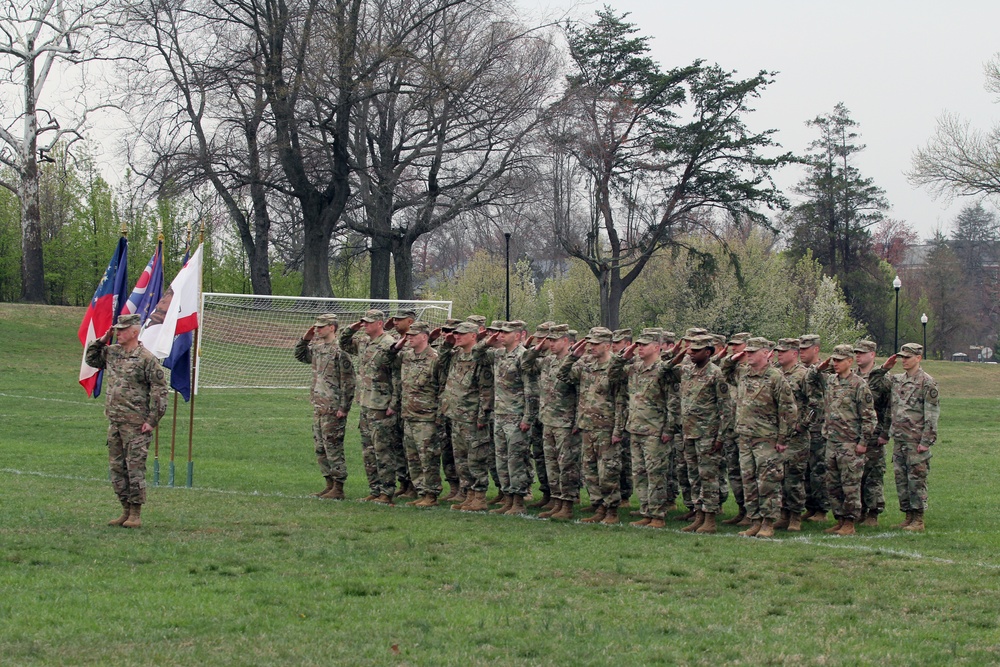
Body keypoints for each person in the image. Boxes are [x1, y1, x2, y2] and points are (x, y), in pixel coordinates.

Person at [86, 313, 168, 528]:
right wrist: (103, 339)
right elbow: (91, 359)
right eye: (117, 329)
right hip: (115, 421)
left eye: (122, 330)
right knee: (117, 468)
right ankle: (124, 510)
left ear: (134, 332)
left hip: (136, 425)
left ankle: (136, 514)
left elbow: (160, 391)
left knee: (135, 469)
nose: (118, 333)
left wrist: (152, 420)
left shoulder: (147, 359)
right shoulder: (112, 353)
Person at [723, 337, 797, 538]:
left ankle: (768, 522)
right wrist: (733, 357)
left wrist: (783, 439)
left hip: (766, 438)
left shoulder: (775, 377)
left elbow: (788, 410)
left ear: (766, 353)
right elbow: (725, 371)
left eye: (753, 352)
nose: (749, 355)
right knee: (749, 482)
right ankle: (754, 521)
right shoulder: (743, 373)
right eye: (747, 351)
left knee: (768, 483)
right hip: (745, 437)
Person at [662, 335, 729, 533]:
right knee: (694, 477)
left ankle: (710, 519)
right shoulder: (686, 370)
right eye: (690, 350)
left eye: (695, 350)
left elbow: (726, 408)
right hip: (688, 432)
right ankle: (698, 515)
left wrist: (720, 437)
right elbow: (664, 371)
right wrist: (679, 354)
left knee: (709, 477)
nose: (691, 353)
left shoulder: (716, 374)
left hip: (708, 434)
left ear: (707, 352)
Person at [558, 327, 624, 524]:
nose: (591, 347)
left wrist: (618, 429)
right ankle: (599, 507)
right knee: (590, 470)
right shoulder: (586, 363)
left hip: (607, 427)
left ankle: (612, 510)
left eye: (595, 344)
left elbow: (621, 401)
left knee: (608, 471)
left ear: (607, 345)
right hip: (587, 425)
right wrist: (573, 356)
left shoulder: (615, 366)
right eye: (590, 343)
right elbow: (563, 375)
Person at [811, 344, 877, 536]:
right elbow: (813, 377)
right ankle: (839, 519)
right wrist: (823, 366)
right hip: (832, 441)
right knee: (833, 485)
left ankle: (850, 522)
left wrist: (863, 442)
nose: (836, 363)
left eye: (840, 360)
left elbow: (869, 417)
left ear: (850, 361)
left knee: (850, 486)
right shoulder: (831, 381)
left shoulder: (859, 385)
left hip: (850, 444)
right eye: (834, 360)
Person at [873, 343, 940, 531]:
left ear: (918, 358)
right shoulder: (897, 380)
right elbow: (875, 385)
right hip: (899, 438)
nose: (904, 361)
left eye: (907, 357)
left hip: (916, 440)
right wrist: (884, 368)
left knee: (916, 479)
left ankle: (918, 518)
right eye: (902, 357)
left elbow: (932, 414)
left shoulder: (927, 382)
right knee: (901, 479)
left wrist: (926, 441)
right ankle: (908, 515)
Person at [340, 309, 400, 504]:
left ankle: (387, 491)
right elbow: (343, 343)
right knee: (368, 451)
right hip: (366, 403)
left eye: (368, 322)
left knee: (382, 450)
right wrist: (352, 328)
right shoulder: (364, 342)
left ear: (380, 323)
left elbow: (398, 376)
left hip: (382, 405)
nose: (364, 324)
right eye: (363, 322)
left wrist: (394, 403)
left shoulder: (389, 344)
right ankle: (374, 489)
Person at [294, 313, 356, 499]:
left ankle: (338, 487)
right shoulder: (318, 348)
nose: (317, 329)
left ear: (332, 327)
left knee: (333, 447)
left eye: (321, 326)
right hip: (319, 406)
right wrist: (306, 338)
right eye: (316, 326)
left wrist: (344, 407)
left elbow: (348, 382)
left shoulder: (340, 351)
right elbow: (299, 355)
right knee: (320, 448)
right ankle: (329, 484)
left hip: (333, 407)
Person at [523, 324, 580, 520]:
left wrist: (576, 422)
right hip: (547, 419)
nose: (550, 344)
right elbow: (525, 364)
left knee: (566, 466)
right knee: (552, 465)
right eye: (549, 340)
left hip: (565, 421)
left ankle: (568, 504)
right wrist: (537, 348)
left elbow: (580, 394)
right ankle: (556, 501)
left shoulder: (574, 362)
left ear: (565, 341)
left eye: (554, 341)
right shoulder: (547, 361)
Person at [388, 321, 447, 507]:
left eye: (413, 335)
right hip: (409, 415)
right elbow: (386, 359)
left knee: (427, 457)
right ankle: (421, 492)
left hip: (427, 418)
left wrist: (439, 416)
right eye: (408, 335)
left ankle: (431, 494)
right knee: (413, 458)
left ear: (424, 337)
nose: (409, 338)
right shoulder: (406, 356)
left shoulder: (435, 359)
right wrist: (398, 344)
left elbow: (443, 387)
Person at [478, 322, 534, 515]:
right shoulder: (498, 354)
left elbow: (530, 389)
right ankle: (508, 498)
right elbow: (476, 354)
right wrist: (487, 342)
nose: (501, 335)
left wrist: (527, 417)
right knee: (501, 460)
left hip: (516, 416)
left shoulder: (523, 355)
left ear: (518, 335)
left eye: (506, 333)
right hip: (500, 414)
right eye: (500, 332)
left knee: (515, 460)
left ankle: (519, 501)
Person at [619, 329, 673, 529]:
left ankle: (658, 515)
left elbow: (672, 402)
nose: (639, 348)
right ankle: (645, 511)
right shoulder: (634, 368)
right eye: (638, 344)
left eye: (644, 345)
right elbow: (614, 370)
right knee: (639, 473)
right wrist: (627, 352)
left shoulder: (663, 370)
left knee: (655, 474)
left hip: (655, 430)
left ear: (657, 347)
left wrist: (669, 428)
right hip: (635, 428)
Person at [440, 322, 491, 512]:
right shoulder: (455, 356)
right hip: (456, 415)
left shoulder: (480, 359)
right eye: (455, 334)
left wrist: (482, 416)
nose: (456, 337)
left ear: (473, 336)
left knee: (475, 458)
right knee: (460, 459)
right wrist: (446, 343)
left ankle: (479, 497)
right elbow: (440, 362)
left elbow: (486, 390)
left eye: (461, 334)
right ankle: (468, 494)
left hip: (472, 418)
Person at [853, 339, 892, 526]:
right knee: (856, 475)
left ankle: (873, 513)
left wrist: (885, 433)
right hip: (855, 434)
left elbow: (890, 408)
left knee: (873, 475)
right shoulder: (853, 377)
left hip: (875, 436)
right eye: (856, 353)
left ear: (872, 355)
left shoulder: (883, 379)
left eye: (862, 352)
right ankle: (859, 510)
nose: (858, 356)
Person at [773, 338, 810, 531]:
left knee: (794, 478)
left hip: (796, 437)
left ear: (794, 354)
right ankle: (783, 513)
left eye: (783, 351)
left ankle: (796, 516)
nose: (779, 354)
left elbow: (816, 403)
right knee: (780, 477)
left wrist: (802, 425)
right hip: (779, 433)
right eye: (778, 351)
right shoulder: (776, 374)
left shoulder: (804, 375)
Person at [799, 333, 829, 522]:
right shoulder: (799, 370)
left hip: (818, 426)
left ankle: (822, 509)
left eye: (805, 349)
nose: (801, 352)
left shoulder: (825, 370)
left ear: (816, 349)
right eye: (800, 349)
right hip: (802, 427)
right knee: (805, 470)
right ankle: (809, 506)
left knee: (819, 469)